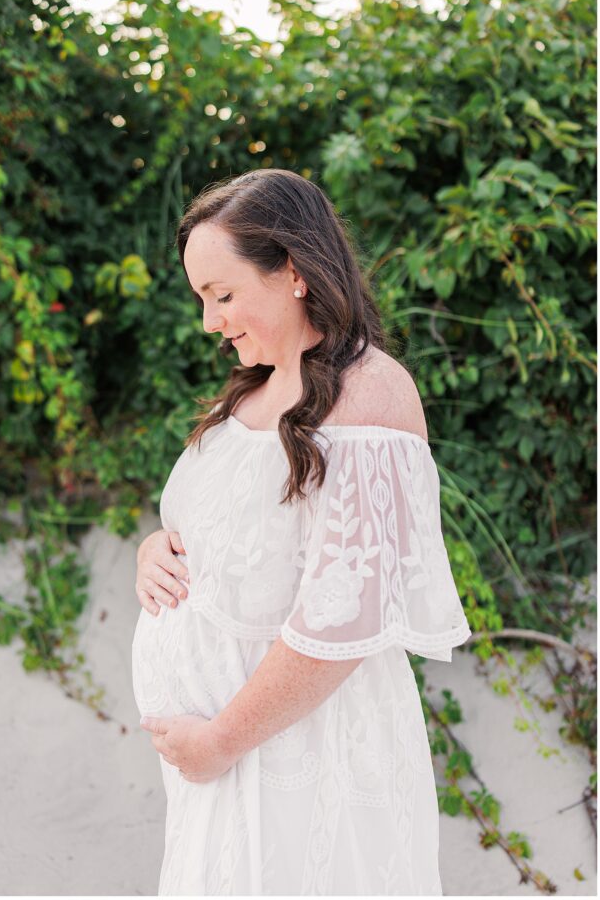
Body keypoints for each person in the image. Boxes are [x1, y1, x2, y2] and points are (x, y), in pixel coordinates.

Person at [132, 168, 472, 896]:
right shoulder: (249, 394)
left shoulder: (370, 391)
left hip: (305, 756)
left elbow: (344, 613)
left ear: (290, 270)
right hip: (226, 767)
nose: (209, 322)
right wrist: (156, 552)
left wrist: (220, 740)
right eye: (202, 299)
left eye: (221, 295)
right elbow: (216, 531)